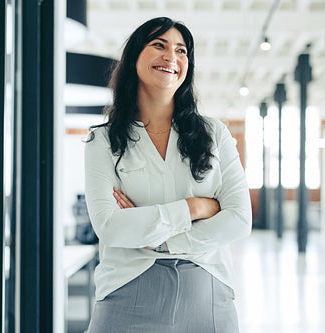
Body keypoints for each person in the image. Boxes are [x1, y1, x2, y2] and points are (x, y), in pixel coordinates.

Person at [84, 17, 252, 332]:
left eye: (181, 50)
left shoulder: (214, 133)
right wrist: (195, 207)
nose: (171, 57)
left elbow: (240, 220)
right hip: (126, 290)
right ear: (133, 58)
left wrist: (161, 241)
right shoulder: (102, 140)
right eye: (159, 45)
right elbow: (109, 227)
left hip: (207, 292)